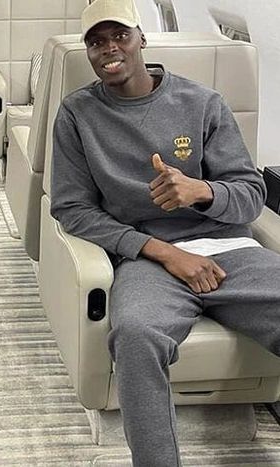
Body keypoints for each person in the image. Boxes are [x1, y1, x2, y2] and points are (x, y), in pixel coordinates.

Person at [49, 0, 280, 465]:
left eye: (120, 36)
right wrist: (164, 252)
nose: (109, 49)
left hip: (229, 248)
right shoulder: (77, 114)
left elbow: (250, 195)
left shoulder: (202, 103)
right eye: (96, 42)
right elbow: (71, 208)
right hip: (148, 259)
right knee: (135, 335)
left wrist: (201, 192)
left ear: (142, 38)